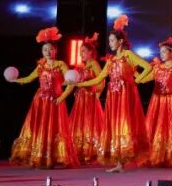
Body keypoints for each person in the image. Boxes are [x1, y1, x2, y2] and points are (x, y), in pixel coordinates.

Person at [73, 15, 150, 173]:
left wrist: (138, 80)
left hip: (126, 95)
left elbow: (148, 67)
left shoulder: (128, 55)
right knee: (115, 125)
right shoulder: (110, 60)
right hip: (113, 96)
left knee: (125, 123)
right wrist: (78, 84)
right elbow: (99, 79)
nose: (110, 43)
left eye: (112, 40)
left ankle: (126, 158)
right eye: (109, 41)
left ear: (120, 41)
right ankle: (119, 163)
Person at [8, 27, 78, 168]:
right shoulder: (41, 66)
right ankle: (40, 157)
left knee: (54, 129)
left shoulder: (61, 65)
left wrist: (62, 97)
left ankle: (54, 157)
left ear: (55, 50)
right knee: (41, 128)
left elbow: (71, 83)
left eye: (50, 49)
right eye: (45, 49)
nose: (48, 52)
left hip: (56, 101)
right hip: (40, 102)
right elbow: (29, 78)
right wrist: (16, 80)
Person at [135, 33, 172, 168]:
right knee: (155, 127)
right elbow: (143, 80)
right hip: (156, 100)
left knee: (170, 128)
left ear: (171, 52)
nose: (161, 54)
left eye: (164, 52)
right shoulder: (157, 67)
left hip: (170, 101)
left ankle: (169, 156)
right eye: (160, 52)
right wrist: (133, 71)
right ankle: (154, 156)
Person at [66, 33, 105, 164]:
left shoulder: (94, 64)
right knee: (79, 124)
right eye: (80, 51)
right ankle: (79, 152)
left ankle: (90, 152)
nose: (80, 54)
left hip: (89, 98)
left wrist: (97, 93)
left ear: (90, 52)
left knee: (89, 123)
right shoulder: (80, 66)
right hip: (80, 99)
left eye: (83, 51)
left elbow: (101, 80)